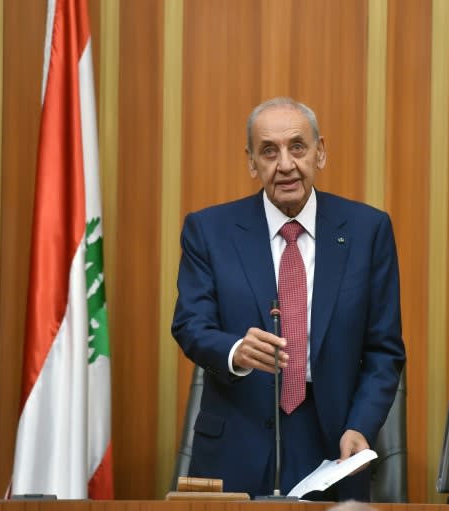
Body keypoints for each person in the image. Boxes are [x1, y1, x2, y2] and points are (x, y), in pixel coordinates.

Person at [172, 97, 405, 501]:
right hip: (235, 443)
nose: (284, 164)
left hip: (333, 443)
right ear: (251, 163)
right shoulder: (209, 230)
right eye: (268, 151)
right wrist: (235, 351)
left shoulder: (369, 230)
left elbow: (384, 351)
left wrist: (361, 426)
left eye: (297, 147)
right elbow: (190, 324)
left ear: (320, 152)